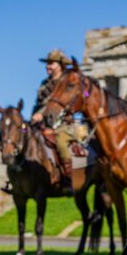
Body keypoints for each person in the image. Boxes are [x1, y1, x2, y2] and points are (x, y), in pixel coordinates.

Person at [31, 49, 75, 189]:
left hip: (62, 123)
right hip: (41, 124)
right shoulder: (44, 83)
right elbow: (38, 103)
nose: (48, 66)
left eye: (51, 63)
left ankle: (68, 179)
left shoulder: (68, 82)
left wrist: (42, 114)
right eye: (47, 63)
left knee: (61, 143)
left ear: (60, 65)